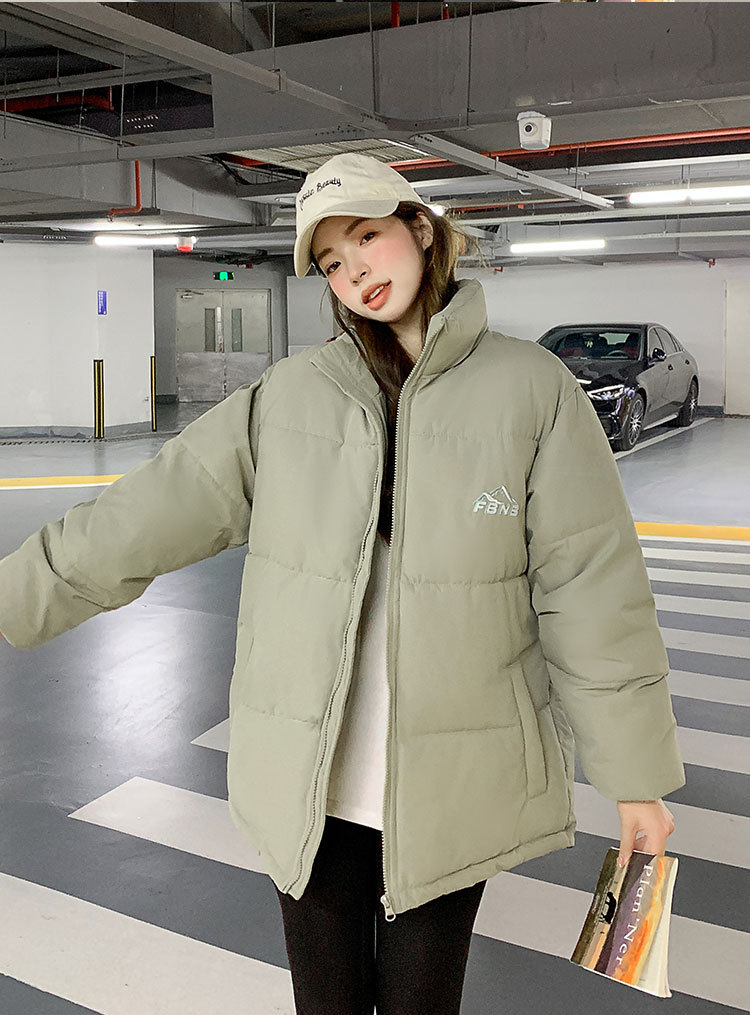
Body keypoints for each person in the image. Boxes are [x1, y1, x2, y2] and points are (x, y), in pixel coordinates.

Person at [0, 152, 685, 1015]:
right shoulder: (288, 398)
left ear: (420, 230)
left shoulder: (532, 391)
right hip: (310, 777)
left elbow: (591, 588)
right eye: (330, 260)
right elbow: (144, 512)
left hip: (456, 784)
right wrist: (15, 593)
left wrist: (635, 778)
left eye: (366, 236)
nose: (354, 269)